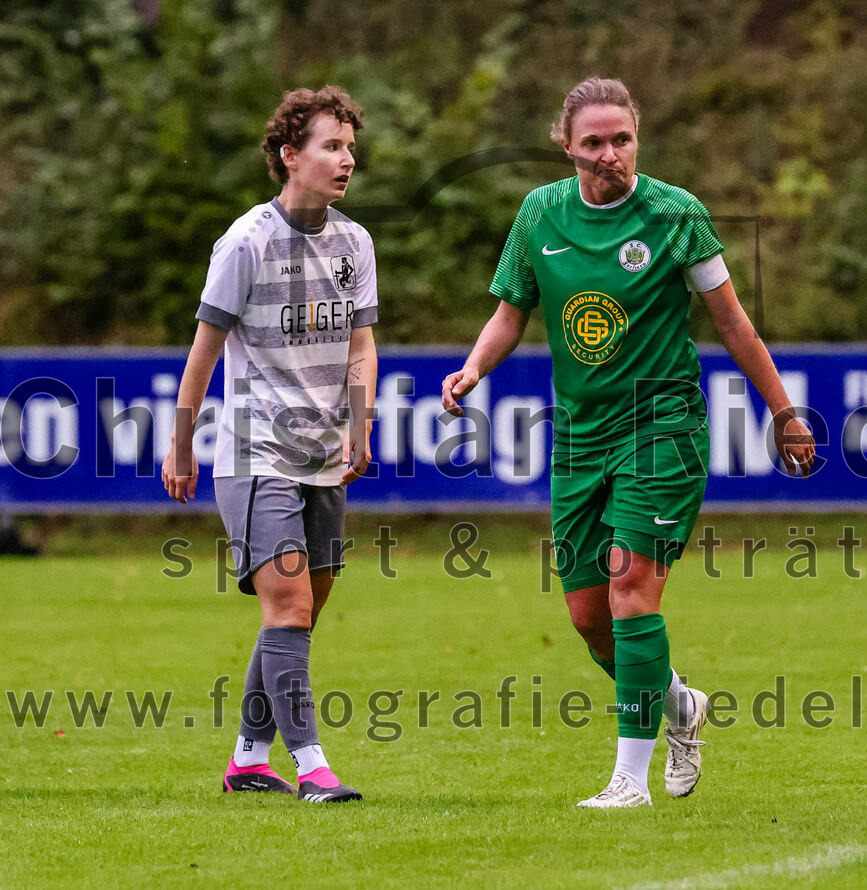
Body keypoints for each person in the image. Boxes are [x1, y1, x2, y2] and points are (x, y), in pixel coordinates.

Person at [442, 76, 815, 808]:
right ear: (566, 147)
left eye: (622, 139)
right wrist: (473, 367)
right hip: (580, 436)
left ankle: (628, 781)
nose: (610, 154)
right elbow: (509, 313)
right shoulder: (539, 213)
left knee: (630, 591)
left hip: (663, 427)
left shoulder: (677, 215)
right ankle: (679, 704)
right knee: (587, 616)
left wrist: (783, 412)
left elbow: (733, 323)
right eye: (594, 143)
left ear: (636, 138)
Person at [161, 86, 378, 803]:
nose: (347, 158)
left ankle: (249, 758)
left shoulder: (354, 244)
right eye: (331, 146)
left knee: (302, 608)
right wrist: (181, 440)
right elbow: (205, 347)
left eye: (349, 146)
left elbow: (361, 341)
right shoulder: (246, 241)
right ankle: (313, 766)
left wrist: (361, 419)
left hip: (323, 456)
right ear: (291, 155)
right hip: (256, 454)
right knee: (287, 610)